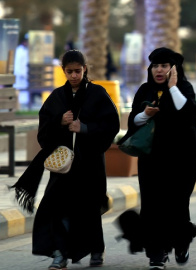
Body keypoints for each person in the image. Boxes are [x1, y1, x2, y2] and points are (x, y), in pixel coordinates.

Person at [8, 49, 120, 269]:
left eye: (78, 71)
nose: (74, 76)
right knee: (56, 208)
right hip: (63, 167)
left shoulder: (98, 94)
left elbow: (111, 125)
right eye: (69, 72)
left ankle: (96, 249)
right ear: (64, 72)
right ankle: (59, 254)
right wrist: (59, 122)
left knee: (89, 208)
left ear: (85, 69)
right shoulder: (57, 97)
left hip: (90, 164)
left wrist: (85, 128)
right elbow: (43, 131)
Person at [117, 47, 196, 270]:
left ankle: (181, 243)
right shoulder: (145, 90)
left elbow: (190, 111)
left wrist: (172, 88)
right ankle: (157, 253)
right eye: (155, 66)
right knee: (152, 205)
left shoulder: (183, 88)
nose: (159, 70)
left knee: (177, 204)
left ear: (174, 69)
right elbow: (133, 121)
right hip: (152, 160)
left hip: (181, 160)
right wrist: (146, 114)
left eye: (164, 66)